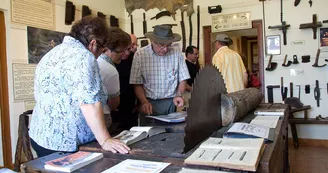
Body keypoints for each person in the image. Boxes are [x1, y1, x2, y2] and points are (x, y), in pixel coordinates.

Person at [29, 16, 130, 157]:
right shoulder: (84, 57)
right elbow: (90, 104)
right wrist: (105, 140)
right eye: (102, 50)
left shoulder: (52, 53)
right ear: (93, 43)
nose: (100, 55)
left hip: (41, 136)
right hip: (65, 143)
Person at [129, 24, 190, 119]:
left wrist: (179, 95)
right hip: (149, 104)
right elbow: (137, 83)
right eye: (162, 45)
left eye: (168, 45)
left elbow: (183, 79)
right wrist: (144, 101)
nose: (165, 49)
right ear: (152, 41)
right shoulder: (140, 55)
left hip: (171, 102)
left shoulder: (176, 54)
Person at [97, 27, 131, 129]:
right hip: (102, 116)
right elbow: (114, 104)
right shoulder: (110, 70)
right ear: (107, 50)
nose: (125, 54)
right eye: (121, 51)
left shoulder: (94, 60)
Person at [112, 34, 139, 130]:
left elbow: (137, 82)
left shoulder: (134, 58)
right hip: (115, 108)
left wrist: (138, 103)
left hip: (131, 108)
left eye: (136, 45)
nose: (134, 48)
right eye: (131, 46)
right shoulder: (112, 61)